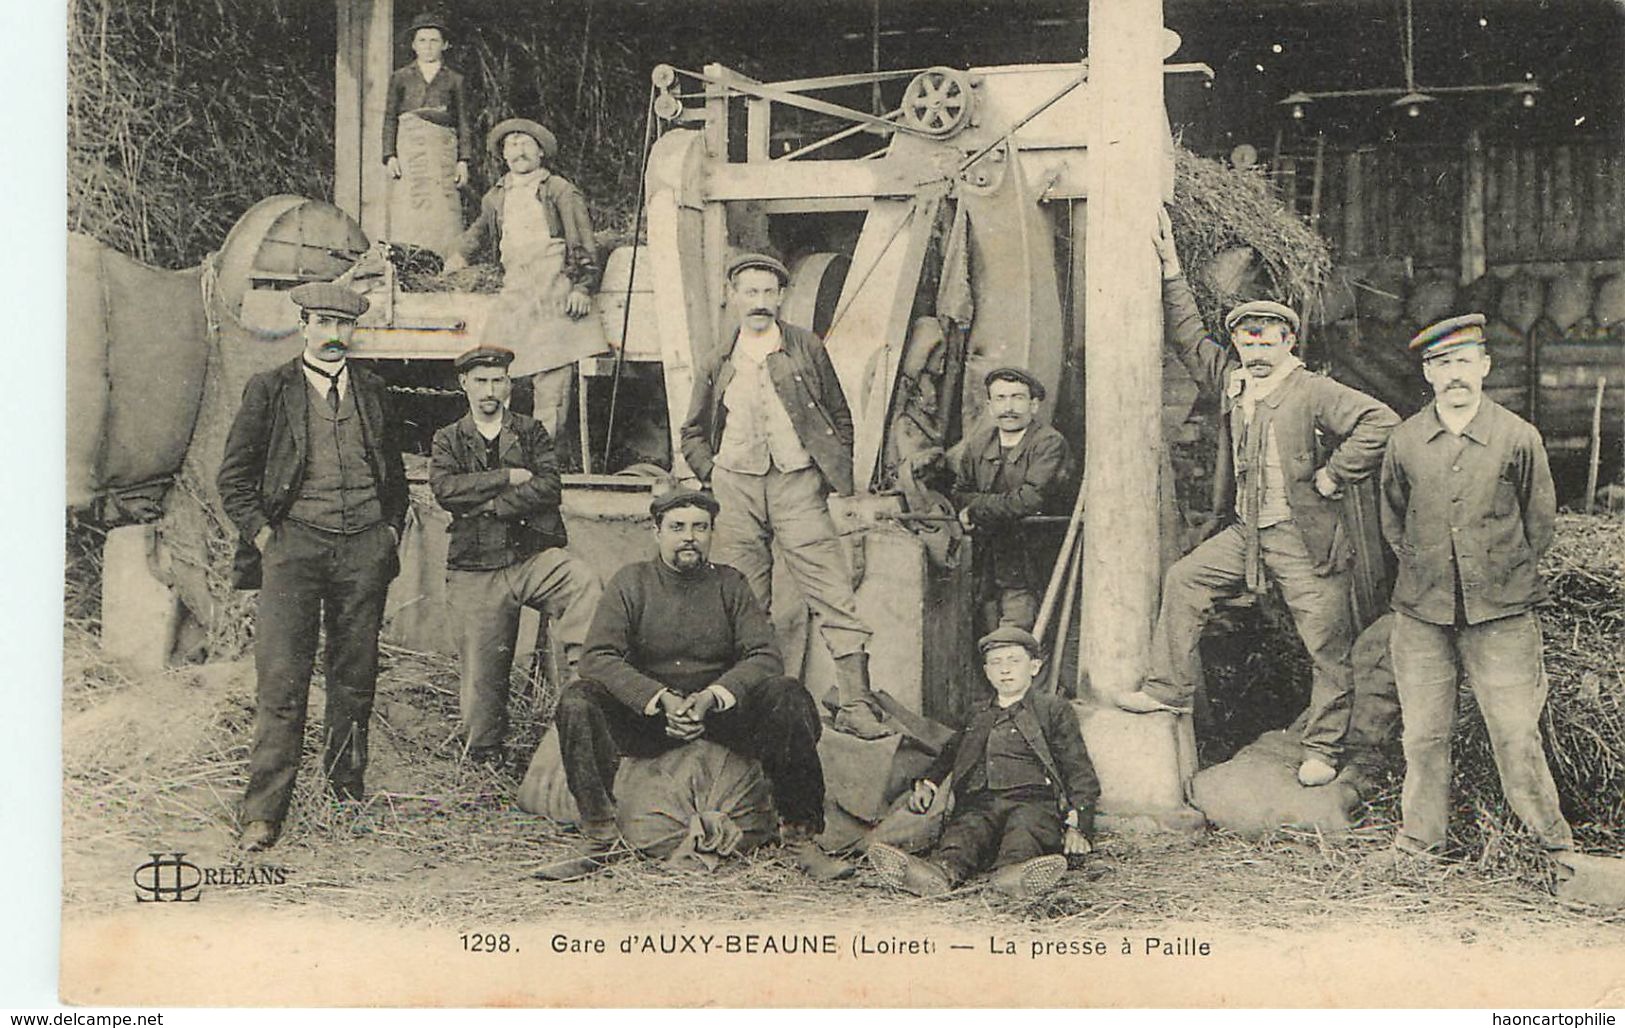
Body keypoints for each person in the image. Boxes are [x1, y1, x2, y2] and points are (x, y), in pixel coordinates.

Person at [1116, 210, 1400, 790]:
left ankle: (1322, 747)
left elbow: (1381, 420)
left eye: (1267, 335)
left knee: (1326, 642)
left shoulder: (1313, 389)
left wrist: (1334, 473)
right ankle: (1167, 690)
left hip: (1304, 538)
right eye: (1246, 335)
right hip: (1247, 532)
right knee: (1188, 578)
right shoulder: (1233, 381)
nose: (1255, 343)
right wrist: (1172, 271)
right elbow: (1189, 337)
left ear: (1287, 340)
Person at [538, 490, 851, 881]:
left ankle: (800, 839)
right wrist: (659, 699)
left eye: (699, 527)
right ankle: (599, 837)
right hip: (649, 720)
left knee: (788, 695)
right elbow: (597, 657)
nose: (689, 536)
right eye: (678, 527)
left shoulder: (730, 584)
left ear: (710, 534)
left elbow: (764, 655)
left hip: (719, 716)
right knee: (578, 699)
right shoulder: (631, 582)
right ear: (657, 533)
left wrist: (712, 698)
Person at [1375, 313, 1575, 864]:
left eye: (1464, 361)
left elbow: (1540, 524)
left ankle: (1550, 845)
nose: (1454, 374)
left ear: (1484, 367)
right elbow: (1394, 522)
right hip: (1423, 614)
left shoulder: (1517, 437)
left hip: (1503, 614)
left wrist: (1499, 576)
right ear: (1428, 373)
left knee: (1515, 733)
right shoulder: (1406, 440)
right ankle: (1419, 842)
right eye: (1442, 364)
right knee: (1422, 736)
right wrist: (1430, 571)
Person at [217, 282, 408, 851]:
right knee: (282, 680)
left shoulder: (372, 391)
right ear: (302, 325)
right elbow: (234, 480)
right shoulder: (270, 390)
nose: (334, 336)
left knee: (355, 680)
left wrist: (388, 532)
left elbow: (392, 476)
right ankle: (264, 814)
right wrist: (266, 535)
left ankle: (345, 799)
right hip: (294, 550)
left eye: (344, 326)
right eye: (323, 323)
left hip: (363, 551)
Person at [679, 252, 890, 740]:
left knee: (830, 590)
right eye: (748, 292)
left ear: (781, 297)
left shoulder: (805, 348)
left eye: (767, 292)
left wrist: (825, 474)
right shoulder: (719, 358)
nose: (758, 302)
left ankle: (856, 703)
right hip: (736, 486)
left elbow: (840, 416)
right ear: (732, 297)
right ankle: (754, 705)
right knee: (745, 598)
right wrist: (713, 474)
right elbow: (692, 430)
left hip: (797, 483)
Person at [430, 344, 602, 766]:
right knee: (482, 679)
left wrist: (490, 505)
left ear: (509, 384)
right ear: (464, 384)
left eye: (498, 380)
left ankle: (588, 691)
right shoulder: (448, 438)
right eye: (481, 381)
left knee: (582, 582)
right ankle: (485, 755)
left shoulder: (530, 431)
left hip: (531, 556)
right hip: (477, 565)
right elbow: (446, 490)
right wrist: (507, 476)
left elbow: (549, 486)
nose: (490, 390)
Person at [868, 627, 1097, 899]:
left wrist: (1078, 826)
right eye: (996, 663)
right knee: (963, 835)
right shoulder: (978, 713)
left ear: (1034, 667)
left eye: (1014, 661)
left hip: (1033, 801)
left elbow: (1078, 769)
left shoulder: (1052, 709)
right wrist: (929, 783)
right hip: (981, 801)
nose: (1005, 670)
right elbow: (950, 753)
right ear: (987, 672)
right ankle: (938, 873)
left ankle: (1012, 878)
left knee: (1025, 834)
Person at [444, 118, 604, 444]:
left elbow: (582, 240)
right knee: (491, 368)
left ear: (541, 153)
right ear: (503, 155)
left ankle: (544, 455)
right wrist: (459, 254)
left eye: (526, 144)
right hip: (516, 290)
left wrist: (581, 286)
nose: (519, 151)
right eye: (511, 145)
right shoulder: (497, 196)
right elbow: (479, 231)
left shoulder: (559, 190)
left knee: (551, 376)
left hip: (554, 289)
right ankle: (498, 448)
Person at [949, 366, 1074, 633]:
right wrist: (975, 506)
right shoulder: (979, 444)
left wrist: (976, 508)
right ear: (990, 406)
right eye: (1001, 398)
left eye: (1017, 398)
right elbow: (960, 493)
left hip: (1030, 562)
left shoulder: (1049, 443)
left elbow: (1029, 500)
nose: (1009, 407)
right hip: (987, 563)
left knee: (1018, 638)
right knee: (987, 639)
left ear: (1034, 404)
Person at [381, 11, 471, 256]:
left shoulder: (454, 80)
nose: (428, 46)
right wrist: (390, 155)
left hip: (442, 148)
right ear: (413, 45)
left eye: (434, 41)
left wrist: (463, 161)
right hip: (410, 149)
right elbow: (389, 117)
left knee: (442, 202)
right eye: (422, 40)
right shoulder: (401, 77)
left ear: (445, 45)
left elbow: (463, 121)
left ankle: (444, 257)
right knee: (410, 202)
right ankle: (408, 259)